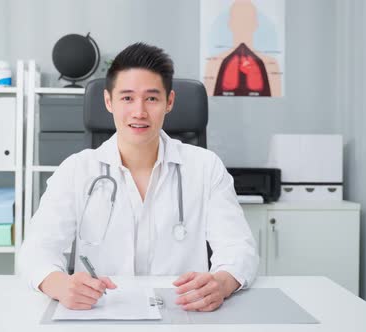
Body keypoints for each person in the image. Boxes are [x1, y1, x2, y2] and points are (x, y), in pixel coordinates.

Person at [18, 42, 258, 312]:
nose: (139, 112)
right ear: (109, 101)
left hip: (184, 313)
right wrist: (59, 284)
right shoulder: (76, 171)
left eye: (152, 98)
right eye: (127, 98)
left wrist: (222, 283)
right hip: (103, 313)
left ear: (169, 102)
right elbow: (36, 251)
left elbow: (239, 249)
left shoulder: (205, 167)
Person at [203, 0, 282, 97]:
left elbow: (278, 104)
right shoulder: (213, 64)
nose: (243, 24)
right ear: (230, 24)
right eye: (238, 19)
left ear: (255, 24)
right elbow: (208, 102)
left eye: (247, 19)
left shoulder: (271, 65)